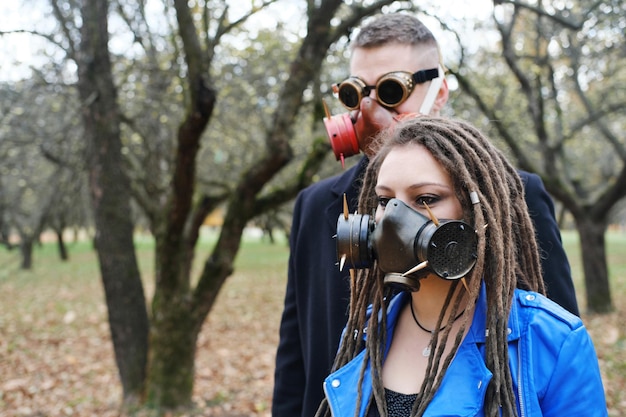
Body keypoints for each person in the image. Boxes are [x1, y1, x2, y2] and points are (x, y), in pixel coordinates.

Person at [272, 13, 579, 417]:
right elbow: (295, 359)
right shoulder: (316, 207)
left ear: (440, 92)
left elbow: (554, 344)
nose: (369, 111)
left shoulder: (510, 197)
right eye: (355, 93)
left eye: (392, 89)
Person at [316, 116, 606, 417]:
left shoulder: (552, 342)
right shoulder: (364, 331)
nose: (391, 220)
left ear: (476, 210)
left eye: (425, 198)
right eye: (384, 200)